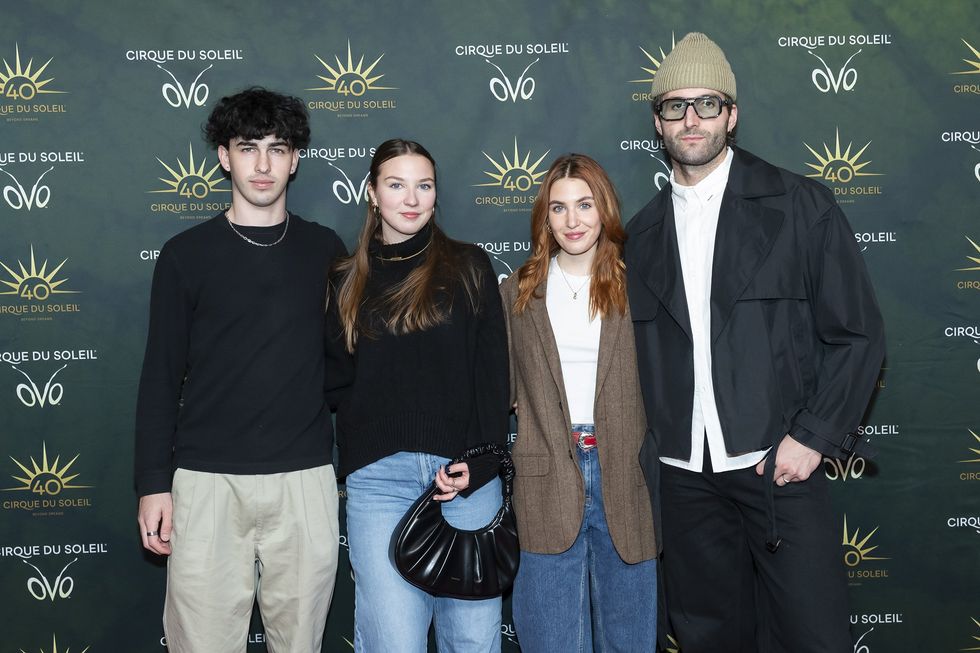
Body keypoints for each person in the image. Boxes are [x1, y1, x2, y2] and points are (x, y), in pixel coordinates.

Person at [625, 32, 886, 652]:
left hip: (780, 469)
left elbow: (858, 334)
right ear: (657, 122)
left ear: (731, 115)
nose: (691, 120)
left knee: (811, 636)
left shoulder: (800, 206)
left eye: (707, 104)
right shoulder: (639, 235)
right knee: (709, 638)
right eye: (675, 105)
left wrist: (812, 438)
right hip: (685, 478)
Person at [134, 87, 346, 653]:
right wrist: (154, 484)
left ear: (295, 159)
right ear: (224, 156)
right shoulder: (185, 254)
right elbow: (159, 376)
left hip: (304, 478)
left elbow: (345, 368)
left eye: (277, 149)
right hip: (205, 482)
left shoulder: (326, 250)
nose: (262, 164)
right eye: (247, 147)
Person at [331, 139, 509, 652]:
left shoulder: (471, 266)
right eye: (396, 184)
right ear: (372, 194)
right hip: (379, 485)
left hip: (466, 483)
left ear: (436, 195)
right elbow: (335, 383)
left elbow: (493, 378)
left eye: (423, 185)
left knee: (473, 643)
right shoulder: (345, 279)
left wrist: (480, 465)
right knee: (393, 644)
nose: (411, 198)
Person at [500, 154, 658, 652]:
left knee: (629, 640)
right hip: (544, 478)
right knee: (551, 642)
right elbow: (499, 390)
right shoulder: (518, 294)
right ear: (544, 217)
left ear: (604, 209)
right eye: (559, 208)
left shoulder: (639, 291)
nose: (573, 221)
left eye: (585, 205)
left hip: (627, 477)